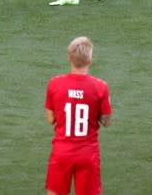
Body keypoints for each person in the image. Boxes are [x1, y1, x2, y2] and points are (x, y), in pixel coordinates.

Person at [44, 36, 113, 195]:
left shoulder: (54, 83)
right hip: (88, 153)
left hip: (62, 152)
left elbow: (50, 119)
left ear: (69, 58)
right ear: (90, 60)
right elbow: (106, 121)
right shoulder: (101, 87)